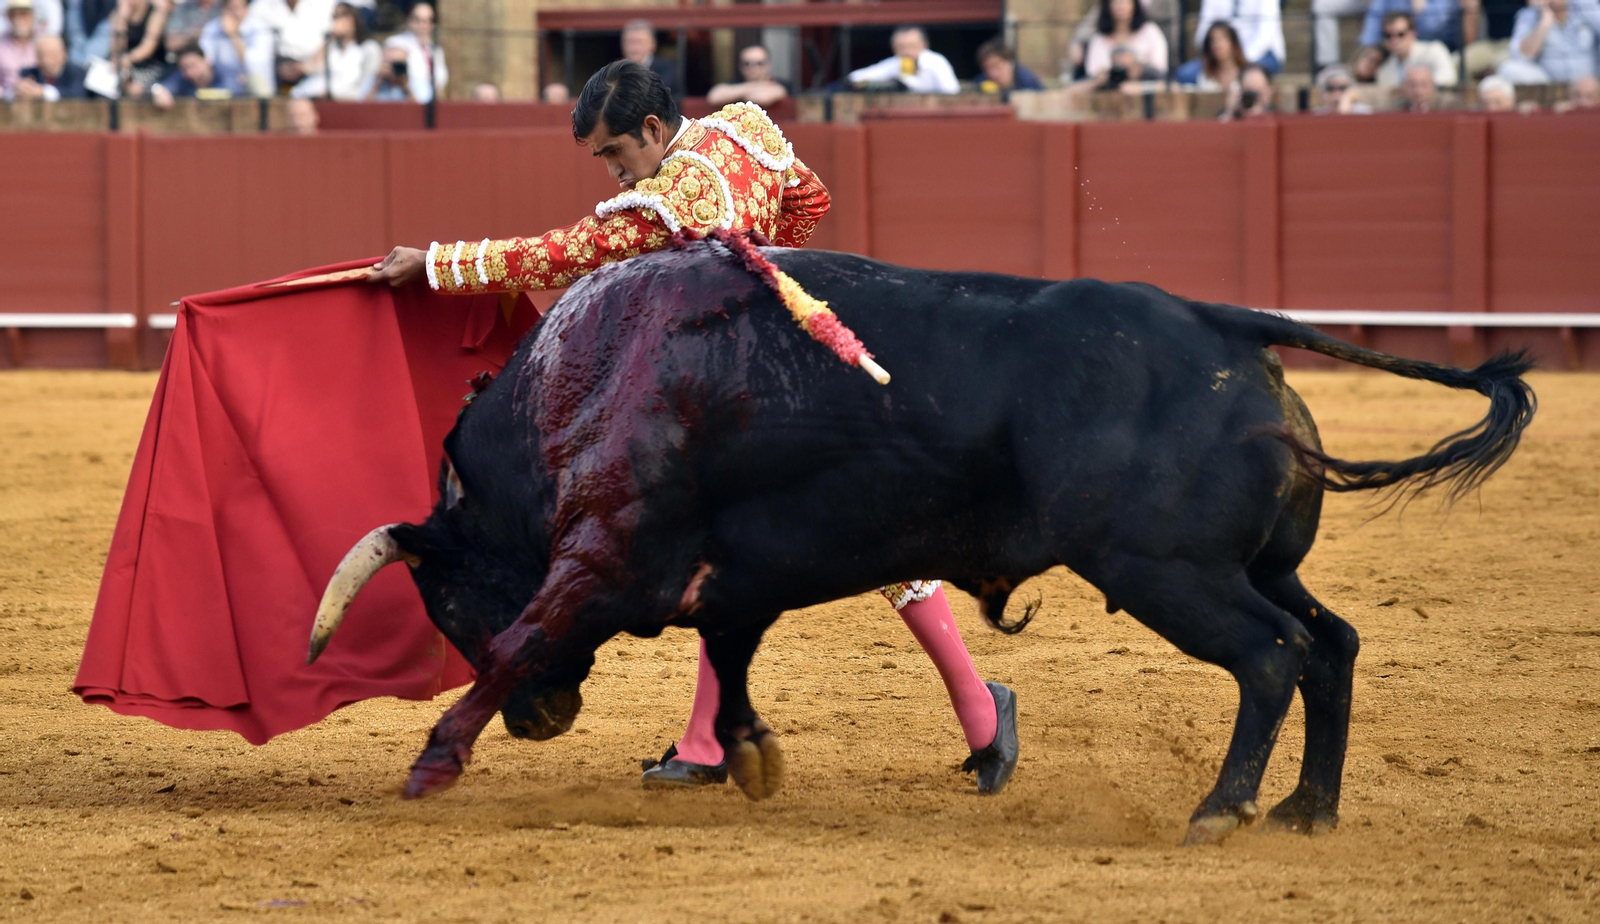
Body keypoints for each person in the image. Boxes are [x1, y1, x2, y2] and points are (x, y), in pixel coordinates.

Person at [366, 60, 1022, 795]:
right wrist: (768, 270)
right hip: (792, 361)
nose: (614, 173)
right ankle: (973, 713)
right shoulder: (744, 130)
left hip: (736, 395)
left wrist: (435, 264)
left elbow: (555, 255)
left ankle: (719, 739)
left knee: (726, 542)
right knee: (835, 534)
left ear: (651, 129)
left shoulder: (663, 204)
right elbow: (810, 196)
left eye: (616, 153)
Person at [289, 2, 378, 100]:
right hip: (318, 96)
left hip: (348, 101)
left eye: (343, 15)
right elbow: (310, 66)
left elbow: (367, 83)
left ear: (354, 18)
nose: (337, 21)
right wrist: (330, 38)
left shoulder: (368, 47)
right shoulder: (331, 46)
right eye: (334, 16)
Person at [1179, 0, 1285, 81]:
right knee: (1185, 75)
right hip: (1221, 56)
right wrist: (1216, 52)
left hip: (1259, 54)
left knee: (1252, 78)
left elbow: (1265, 33)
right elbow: (1204, 31)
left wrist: (1238, 59)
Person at [1497, 0, 1597, 84]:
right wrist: (1544, 21)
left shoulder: (1585, 7)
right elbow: (1521, 56)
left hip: (1591, 80)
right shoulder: (1530, 14)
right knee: (1509, 69)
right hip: (1550, 83)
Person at [845, 24, 960, 93]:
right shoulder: (893, 64)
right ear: (894, 49)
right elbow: (855, 77)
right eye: (901, 47)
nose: (906, 52)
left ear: (924, 45)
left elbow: (952, 91)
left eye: (912, 46)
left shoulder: (937, 62)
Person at [250, 0, 333, 91]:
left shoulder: (325, 4)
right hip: (277, 69)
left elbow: (333, 38)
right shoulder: (262, 6)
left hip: (314, 69)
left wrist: (305, 67)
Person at [198, 0, 272, 96]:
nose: (236, 13)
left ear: (246, 9)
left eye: (239, 8)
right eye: (231, 8)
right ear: (223, 10)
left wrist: (233, 35)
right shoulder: (212, 28)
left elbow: (255, 65)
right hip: (222, 83)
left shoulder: (260, 28)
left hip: (255, 85)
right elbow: (207, 58)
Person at [1082, 0, 1168, 83]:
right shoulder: (1099, 39)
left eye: (1126, 2)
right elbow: (1091, 73)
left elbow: (1160, 68)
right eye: (1116, 2)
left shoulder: (1150, 32)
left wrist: (1137, 70)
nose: (1121, 6)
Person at [1375, 11, 1459, 85]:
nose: (1394, 40)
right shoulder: (1384, 70)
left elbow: (1448, 81)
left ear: (1413, 33)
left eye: (1400, 34)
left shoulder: (1435, 51)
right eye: (1388, 35)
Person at [383, 1, 443, 103]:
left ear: (432, 24)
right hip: (401, 102)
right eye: (417, 20)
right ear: (408, 20)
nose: (421, 25)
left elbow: (440, 84)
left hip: (429, 104)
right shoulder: (396, 43)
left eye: (426, 21)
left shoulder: (436, 50)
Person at [707, 43, 791, 106]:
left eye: (759, 63)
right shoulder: (736, 82)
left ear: (768, 65)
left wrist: (737, 93)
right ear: (740, 66)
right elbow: (714, 96)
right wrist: (756, 86)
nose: (753, 68)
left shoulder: (781, 83)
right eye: (747, 63)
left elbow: (761, 98)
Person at [1359, 0, 1464, 49]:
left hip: (1436, 50)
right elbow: (1370, 35)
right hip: (1393, 53)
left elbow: (1431, 29)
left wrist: (1418, 4)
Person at [114, 0, 171, 90]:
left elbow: (149, 46)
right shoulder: (118, 16)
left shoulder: (155, 12)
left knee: (135, 89)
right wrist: (122, 20)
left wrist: (128, 59)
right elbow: (118, 49)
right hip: (127, 66)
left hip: (151, 66)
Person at [149, 40, 227, 104]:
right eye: (184, 68)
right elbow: (161, 86)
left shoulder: (225, 73)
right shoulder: (182, 79)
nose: (190, 72)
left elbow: (234, 88)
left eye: (193, 65)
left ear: (206, 60)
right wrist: (159, 91)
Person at [9, 32, 84, 97]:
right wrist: (19, 90)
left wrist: (42, 92)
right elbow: (9, 95)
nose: (47, 60)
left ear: (63, 53)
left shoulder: (76, 72)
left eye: (51, 54)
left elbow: (77, 94)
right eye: (42, 55)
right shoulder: (28, 73)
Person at [621, 18, 679, 99]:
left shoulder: (667, 68)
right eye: (630, 42)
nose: (634, 48)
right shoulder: (616, 71)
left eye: (639, 42)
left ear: (653, 44)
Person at [974, 37, 1045, 92]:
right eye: (987, 69)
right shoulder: (983, 81)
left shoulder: (1027, 82)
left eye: (996, 66)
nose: (992, 74)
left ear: (1009, 63)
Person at [1193, 20, 1248, 90]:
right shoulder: (1205, 75)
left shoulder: (1248, 73)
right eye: (1213, 40)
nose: (1217, 45)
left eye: (1222, 38)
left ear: (1233, 43)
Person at [0, 0, 37, 93]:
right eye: (14, 15)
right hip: (6, 103)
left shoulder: (43, 42)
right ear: (8, 17)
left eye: (24, 14)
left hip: (41, 101)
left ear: (32, 16)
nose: (19, 19)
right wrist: (9, 93)